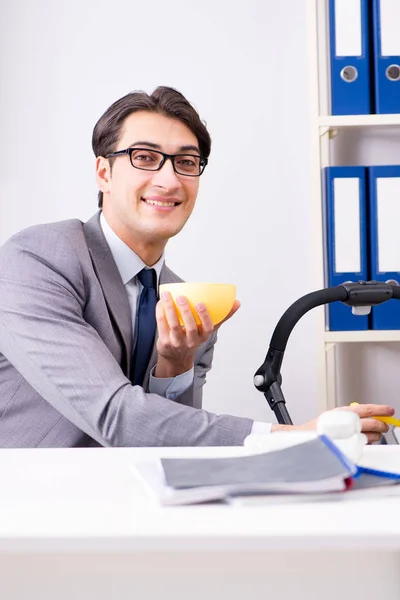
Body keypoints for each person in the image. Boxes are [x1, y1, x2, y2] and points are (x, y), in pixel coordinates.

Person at [0, 86, 393, 447]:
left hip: (138, 508)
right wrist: (293, 436)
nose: (170, 180)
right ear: (104, 172)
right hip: (29, 508)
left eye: (186, 162)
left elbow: (180, 443)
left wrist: (176, 363)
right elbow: (115, 416)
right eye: (146, 158)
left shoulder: (186, 301)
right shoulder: (39, 258)